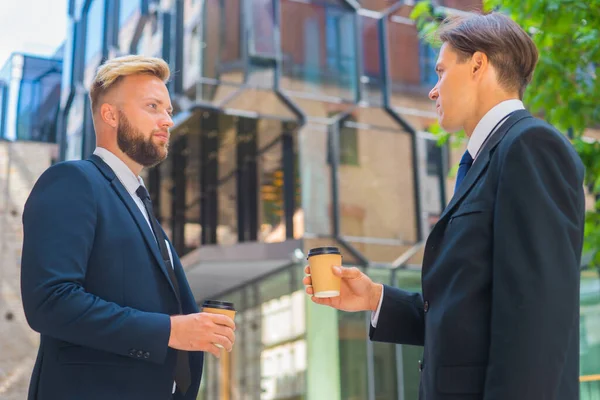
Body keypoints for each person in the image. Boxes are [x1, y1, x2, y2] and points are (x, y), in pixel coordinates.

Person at [304, 12, 585, 400]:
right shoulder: (484, 160)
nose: (433, 90)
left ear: (478, 64)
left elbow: (536, 318)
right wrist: (374, 298)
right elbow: (468, 314)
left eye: (440, 71)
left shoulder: (529, 146)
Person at [20, 55, 235, 400]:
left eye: (168, 109)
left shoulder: (140, 204)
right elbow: (50, 301)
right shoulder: (73, 181)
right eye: (153, 106)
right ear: (110, 115)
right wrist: (169, 331)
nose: (167, 120)